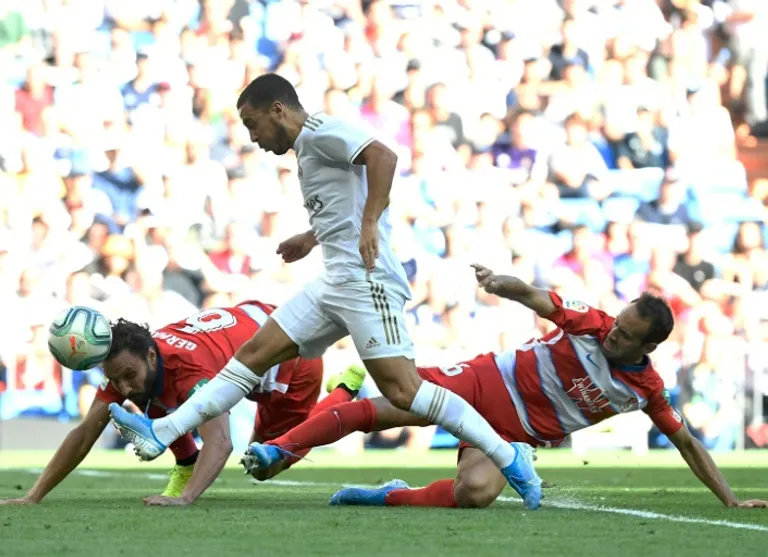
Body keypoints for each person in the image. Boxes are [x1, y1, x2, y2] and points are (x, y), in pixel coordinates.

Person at [108, 74, 542, 509]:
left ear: (278, 110)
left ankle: (508, 454)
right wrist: (311, 237)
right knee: (253, 354)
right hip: (334, 280)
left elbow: (384, 156)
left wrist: (370, 222)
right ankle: (163, 430)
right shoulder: (307, 148)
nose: (252, 136)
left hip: (367, 280)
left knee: (404, 391)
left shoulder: (321, 132)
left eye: (253, 123)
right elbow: (343, 204)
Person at [242, 264, 768, 510]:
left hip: (512, 436)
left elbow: (686, 442)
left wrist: (729, 499)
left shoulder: (646, 390)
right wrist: (500, 283)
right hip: (484, 383)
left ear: (647, 347)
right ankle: (277, 449)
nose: (614, 333)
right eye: (619, 323)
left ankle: (387, 496)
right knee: (385, 408)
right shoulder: (592, 322)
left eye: (627, 335)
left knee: (474, 494)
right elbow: (537, 296)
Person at [0, 300, 363, 507]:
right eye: (116, 379)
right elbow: (84, 433)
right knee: (151, 394)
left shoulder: (189, 371)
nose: (123, 387)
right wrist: (33, 496)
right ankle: (186, 461)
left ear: (151, 356)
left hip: (289, 358)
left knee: (266, 462)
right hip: (247, 328)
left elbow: (221, 441)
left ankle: (343, 392)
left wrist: (185, 499)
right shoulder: (130, 361)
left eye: (128, 375)